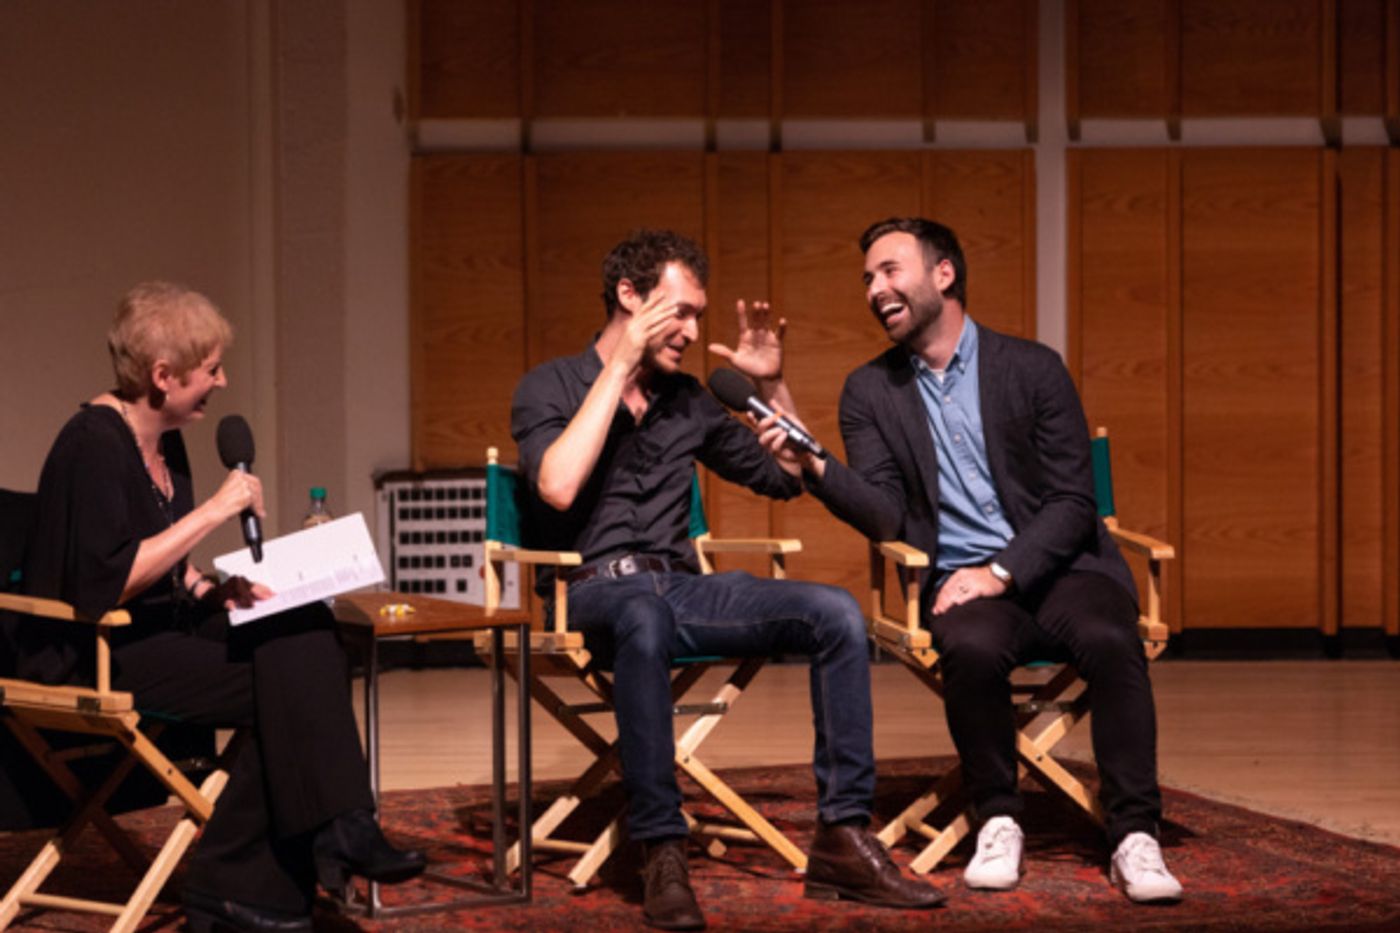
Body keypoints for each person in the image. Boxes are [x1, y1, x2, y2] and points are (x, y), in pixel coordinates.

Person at [511, 229, 942, 930]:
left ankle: (841, 834)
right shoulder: (549, 385)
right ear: (629, 296)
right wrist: (616, 370)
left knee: (833, 611)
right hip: (590, 589)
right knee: (642, 618)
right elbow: (557, 486)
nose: (690, 331)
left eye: (697, 316)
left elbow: (787, 474)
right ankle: (660, 844)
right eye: (678, 312)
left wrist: (772, 388)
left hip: (682, 585)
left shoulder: (688, 400)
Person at [793, 218, 1183, 903]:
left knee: (1108, 636)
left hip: (1063, 566)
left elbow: (1071, 501)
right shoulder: (869, 391)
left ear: (944, 274)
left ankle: (1134, 832)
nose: (875, 289)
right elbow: (885, 514)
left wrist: (1000, 570)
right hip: (964, 586)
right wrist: (816, 467)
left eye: (889, 270)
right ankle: (998, 816)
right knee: (970, 649)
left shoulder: (1032, 367)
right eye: (867, 279)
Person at [17, 282, 426, 931]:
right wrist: (213, 512)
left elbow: (167, 559)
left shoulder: (167, 441)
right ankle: (258, 870)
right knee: (286, 686)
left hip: (156, 624)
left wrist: (216, 589)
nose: (222, 380)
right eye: (210, 369)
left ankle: (329, 833)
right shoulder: (92, 443)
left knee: (308, 627)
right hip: (93, 648)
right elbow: (108, 578)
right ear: (162, 375)